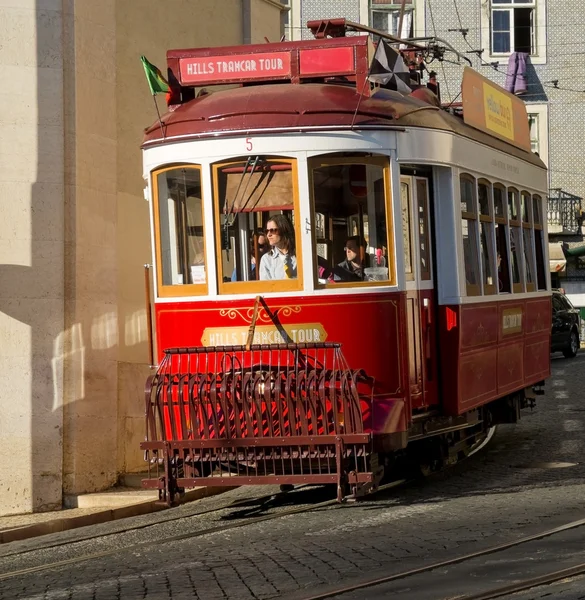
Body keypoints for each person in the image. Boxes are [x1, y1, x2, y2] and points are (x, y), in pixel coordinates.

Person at [259, 215, 297, 280]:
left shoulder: (300, 255)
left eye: (272, 230)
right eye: (267, 231)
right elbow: (266, 287)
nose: (269, 235)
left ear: (283, 229)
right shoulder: (266, 259)